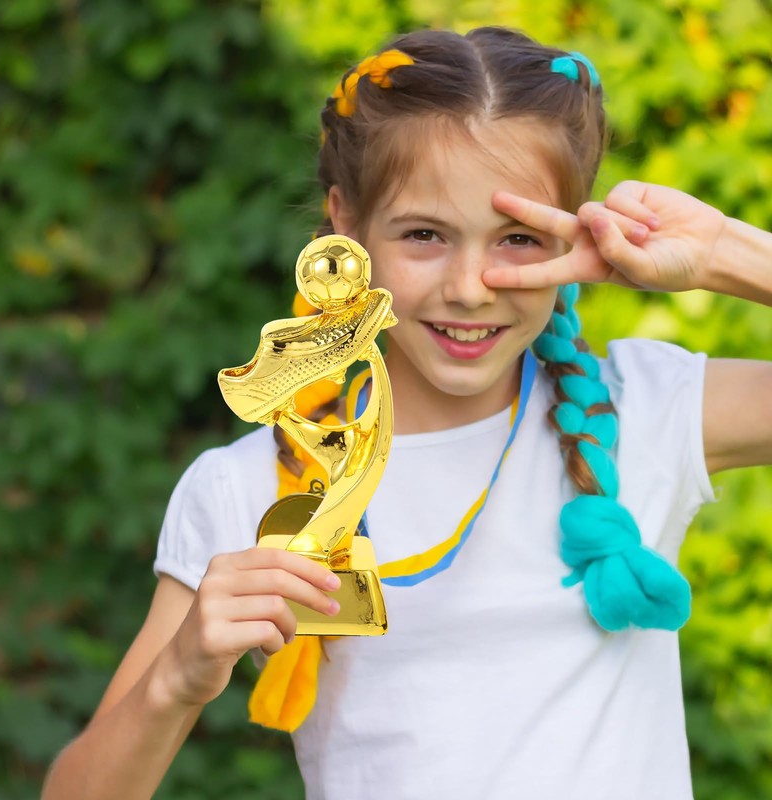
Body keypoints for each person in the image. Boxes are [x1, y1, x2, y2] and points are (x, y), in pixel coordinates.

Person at [42, 26, 772, 800]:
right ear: (346, 225)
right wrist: (177, 678)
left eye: (519, 239)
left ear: (574, 235)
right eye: (425, 234)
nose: (469, 287)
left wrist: (725, 253)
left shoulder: (650, 411)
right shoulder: (246, 486)